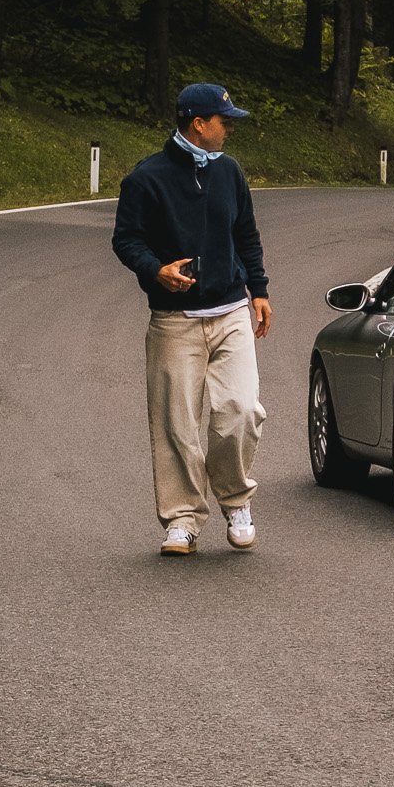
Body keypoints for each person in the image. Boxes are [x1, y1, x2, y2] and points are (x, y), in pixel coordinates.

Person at [112, 81, 272, 556]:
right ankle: (182, 520)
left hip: (231, 313)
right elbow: (127, 240)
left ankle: (236, 500)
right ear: (198, 124)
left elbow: (246, 231)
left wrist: (258, 290)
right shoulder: (147, 178)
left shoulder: (230, 171)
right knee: (176, 424)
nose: (229, 130)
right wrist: (154, 270)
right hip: (174, 321)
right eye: (224, 122)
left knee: (240, 410)